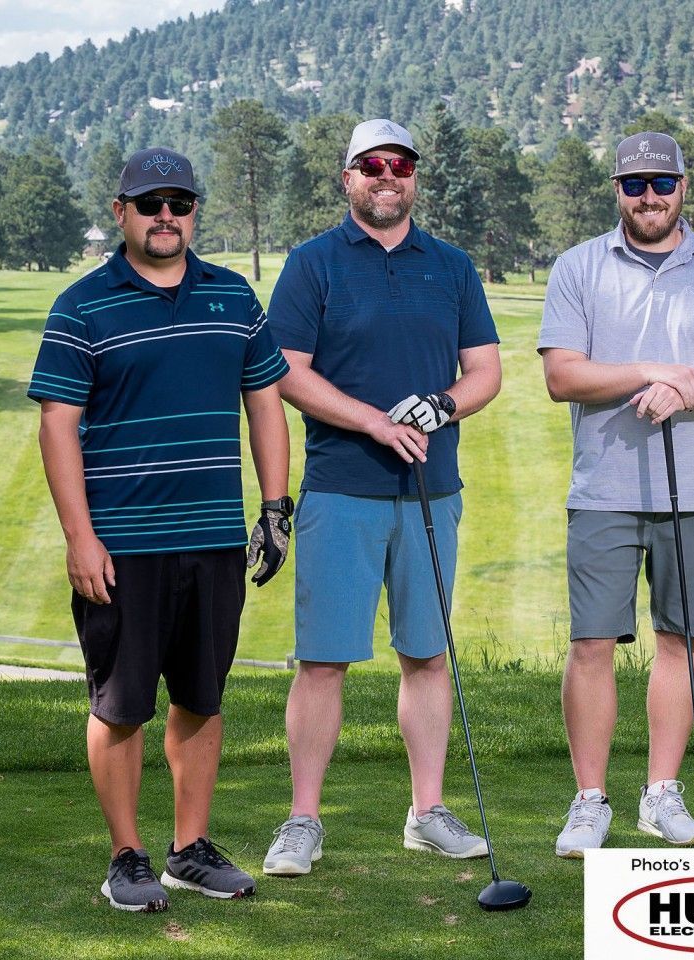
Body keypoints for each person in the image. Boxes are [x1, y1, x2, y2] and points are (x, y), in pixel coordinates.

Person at [29, 146, 292, 911]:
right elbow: (57, 425)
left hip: (211, 537)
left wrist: (274, 509)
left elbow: (266, 403)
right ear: (121, 213)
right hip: (122, 545)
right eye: (150, 204)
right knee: (120, 703)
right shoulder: (83, 304)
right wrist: (80, 537)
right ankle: (126, 857)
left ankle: (188, 850)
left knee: (202, 698)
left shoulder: (233, 295)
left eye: (179, 203)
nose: (166, 216)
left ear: (193, 211)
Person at [260, 118, 502, 876]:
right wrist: (371, 419)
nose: (385, 176)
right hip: (341, 489)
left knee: (426, 656)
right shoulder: (313, 263)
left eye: (398, 164)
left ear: (413, 177)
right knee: (323, 661)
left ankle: (426, 811)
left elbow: (485, 370)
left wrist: (442, 404)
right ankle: (302, 820)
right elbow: (284, 370)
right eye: (370, 165)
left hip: (432, 492)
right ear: (347, 179)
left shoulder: (452, 266)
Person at [538, 132, 694, 858]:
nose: (648, 197)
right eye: (634, 185)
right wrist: (649, 372)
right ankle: (589, 799)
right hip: (601, 488)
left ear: (682, 187)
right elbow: (562, 377)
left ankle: (660, 793)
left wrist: (684, 387)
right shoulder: (578, 266)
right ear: (616, 190)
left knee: (681, 639)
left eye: (660, 183)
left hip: (691, 489)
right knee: (591, 642)